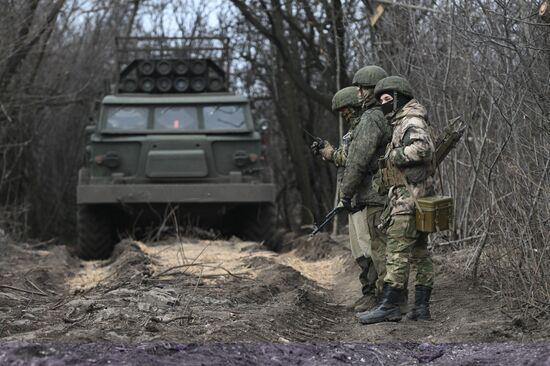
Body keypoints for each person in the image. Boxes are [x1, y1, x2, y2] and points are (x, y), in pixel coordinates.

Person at [358, 76, 436, 325]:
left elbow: (423, 149)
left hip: (409, 199)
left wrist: (394, 154)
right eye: (380, 99)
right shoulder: (405, 120)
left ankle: (390, 306)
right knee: (421, 252)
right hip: (417, 197)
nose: (383, 103)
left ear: (400, 98)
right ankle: (421, 308)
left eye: (387, 99)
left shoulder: (411, 121)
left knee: (397, 251)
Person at [311, 85, 378, 311]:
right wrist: (326, 150)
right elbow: (343, 156)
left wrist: (346, 194)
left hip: (364, 196)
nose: (344, 114)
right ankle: (369, 292)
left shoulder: (367, 126)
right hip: (354, 198)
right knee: (359, 250)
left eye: (346, 110)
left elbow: (355, 162)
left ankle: (375, 295)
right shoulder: (354, 131)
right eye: (341, 112)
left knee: (369, 249)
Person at [338, 66, 392, 311]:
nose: (358, 93)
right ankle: (383, 298)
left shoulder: (372, 118)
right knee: (378, 248)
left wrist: (346, 193)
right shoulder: (387, 114)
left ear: (372, 90)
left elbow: (357, 159)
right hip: (384, 191)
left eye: (362, 88)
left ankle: (385, 300)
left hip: (374, 193)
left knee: (377, 249)